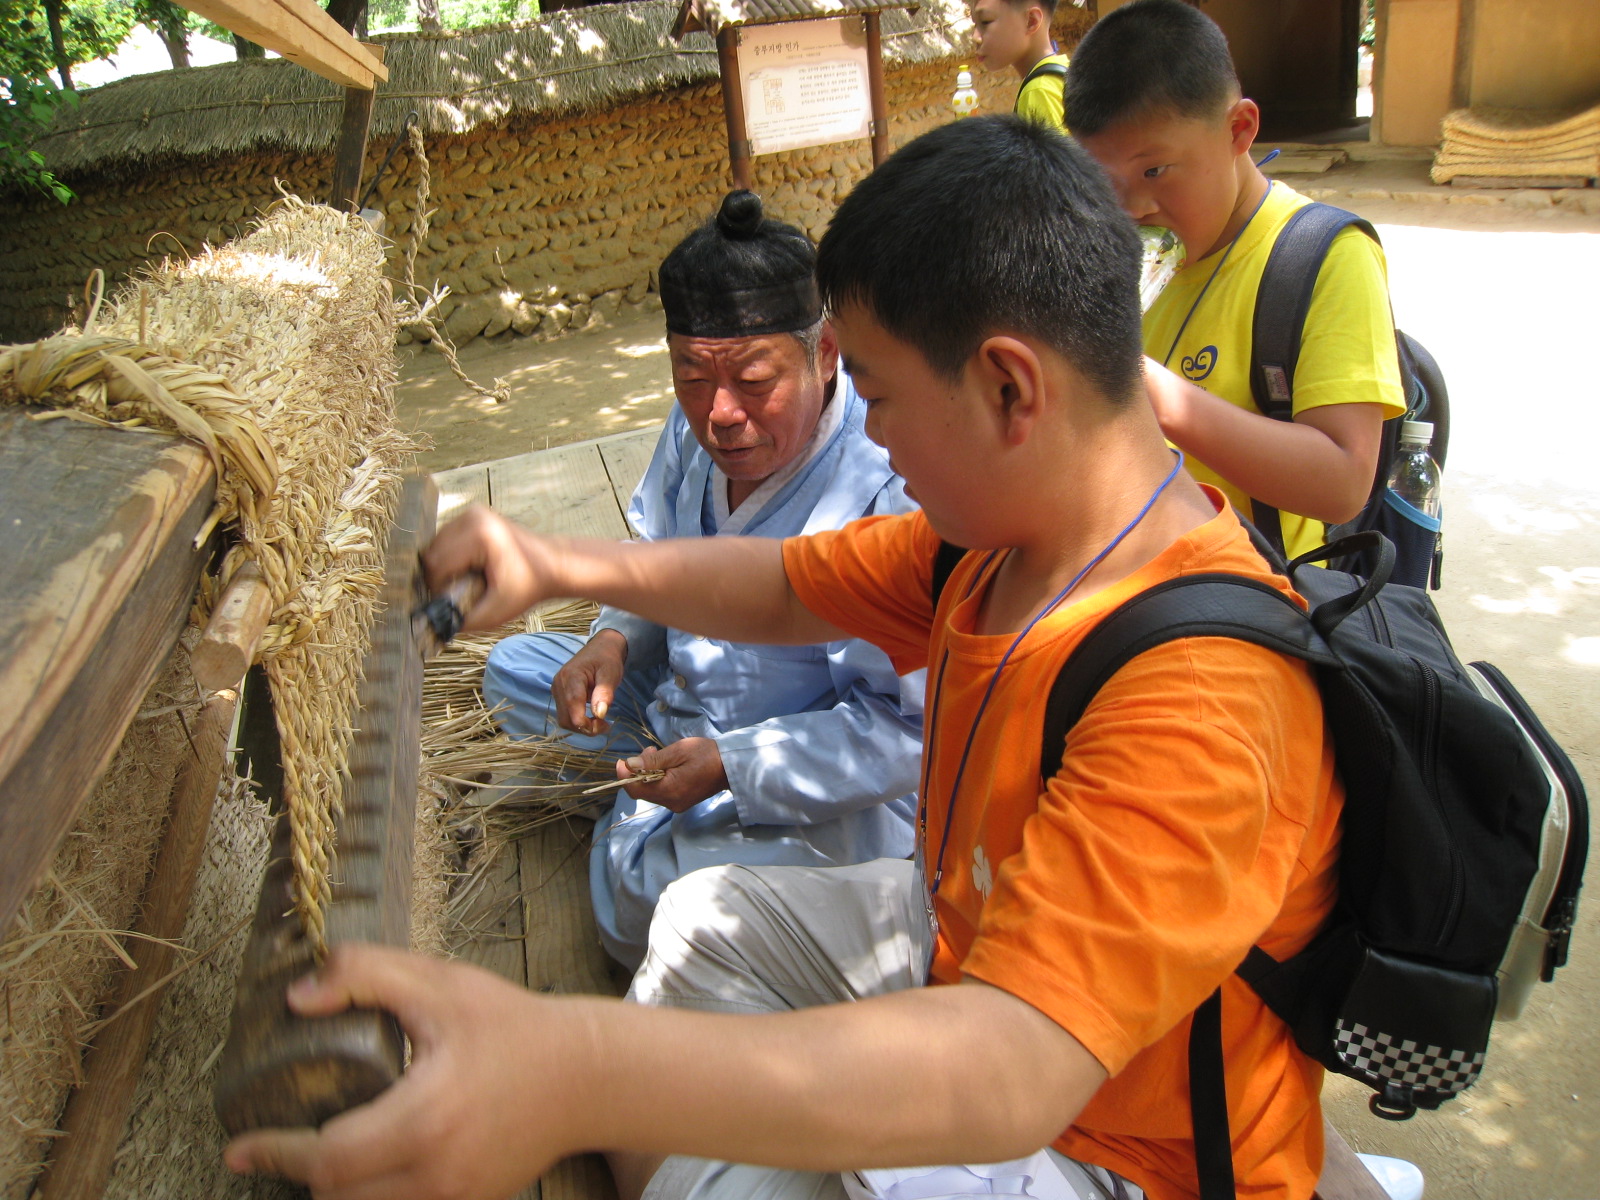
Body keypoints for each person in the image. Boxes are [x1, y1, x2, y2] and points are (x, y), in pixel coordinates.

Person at [225, 117, 1343, 1200]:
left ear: (1008, 387)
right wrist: (553, 561)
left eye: (884, 396)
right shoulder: (994, 547)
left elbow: (1010, 1068)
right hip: (963, 936)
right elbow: (774, 582)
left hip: (1117, 1148)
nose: (877, 434)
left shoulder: (1200, 694)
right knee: (698, 925)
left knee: (651, 1090)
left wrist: (578, 1071)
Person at [480, 189, 923, 969]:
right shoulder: (702, 432)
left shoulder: (882, 486)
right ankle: (651, 805)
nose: (720, 414)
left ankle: (660, 823)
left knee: (640, 913)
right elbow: (655, 554)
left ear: (824, 353)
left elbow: (901, 732)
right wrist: (613, 638)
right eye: (691, 376)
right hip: (675, 712)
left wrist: (732, 764)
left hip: (802, 768)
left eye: (754, 379)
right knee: (513, 670)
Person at [1065, 0, 1406, 558]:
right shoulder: (1118, 253)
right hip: (1126, 586)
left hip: (1251, 606)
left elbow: (1343, 482)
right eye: (1104, 180)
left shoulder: (1325, 258)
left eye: (1155, 170)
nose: (1132, 206)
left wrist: (1154, 394)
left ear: (1239, 129)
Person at [969, 0, 1070, 131]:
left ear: (1031, 21)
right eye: (975, 24)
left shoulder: (1039, 90)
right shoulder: (1063, 71)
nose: (975, 37)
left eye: (985, 21)